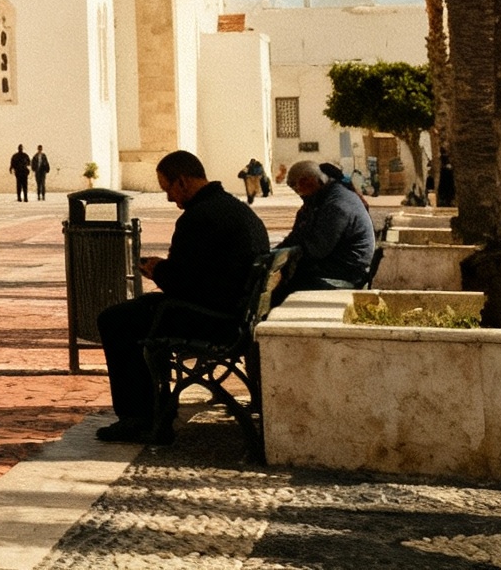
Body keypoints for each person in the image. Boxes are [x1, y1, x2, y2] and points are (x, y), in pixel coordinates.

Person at [93, 150, 269, 443]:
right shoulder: (234, 209)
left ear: (183, 182)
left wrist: (157, 269)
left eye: (168, 189)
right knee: (136, 314)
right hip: (233, 311)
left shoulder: (198, 217)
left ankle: (140, 418)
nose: (169, 199)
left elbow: (181, 283)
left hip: (213, 319)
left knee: (115, 321)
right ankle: (156, 406)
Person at [272, 160, 376, 303]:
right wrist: (274, 254)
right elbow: (297, 236)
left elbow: (317, 249)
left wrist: (291, 256)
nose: (299, 195)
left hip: (346, 273)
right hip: (336, 267)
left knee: (286, 295)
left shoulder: (336, 204)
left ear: (308, 181)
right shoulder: (322, 200)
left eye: (297, 189)